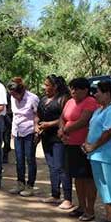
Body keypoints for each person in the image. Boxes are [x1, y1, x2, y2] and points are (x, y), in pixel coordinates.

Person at [82, 80, 111, 222]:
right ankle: (109, 217)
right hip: (96, 155)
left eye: (98, 92)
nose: (95, 95)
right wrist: (87, 144)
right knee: (103, 187)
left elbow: (109, 132)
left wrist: (93, 145)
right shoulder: (99, 110)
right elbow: (94, 129)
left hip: (109, 155)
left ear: (107, 93)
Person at [59, 77, 98, 222]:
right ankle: (81, 206)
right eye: (72, 88)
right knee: (77, 177)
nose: (73, 91)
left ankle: (90, 209)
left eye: (76, 89)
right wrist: (62, 129)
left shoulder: (90, 102)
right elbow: (62, 117)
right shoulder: (69, 102)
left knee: (88, 178)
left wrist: (66, 129)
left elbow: (83, 121)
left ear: (85, 90)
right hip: (70, 144)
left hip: (83, 145)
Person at [36, 75, 73, 209]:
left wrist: (50, 124)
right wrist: (37, 125)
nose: (44, 87)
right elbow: (38, 115)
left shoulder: (63, 99)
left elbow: (64, 118)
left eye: (47, 85)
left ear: (55, 86)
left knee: (61, 167)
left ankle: (68, 198)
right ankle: (55, 194)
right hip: (46, 136)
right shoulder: (43, 99)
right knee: (52, 166)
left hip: (58, 137)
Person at [7, 78, 40, 197]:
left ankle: (30, 185)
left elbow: (37, 114)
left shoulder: (33, 98)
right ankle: (20, 183)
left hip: (29, 132)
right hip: (17, 132)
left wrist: (37, 130)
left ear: (21, 91)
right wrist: (12, 131)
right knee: (19, 159)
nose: (13, 96)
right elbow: (15, 115)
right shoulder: (12, 97)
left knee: (30, 159)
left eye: (15, 94)